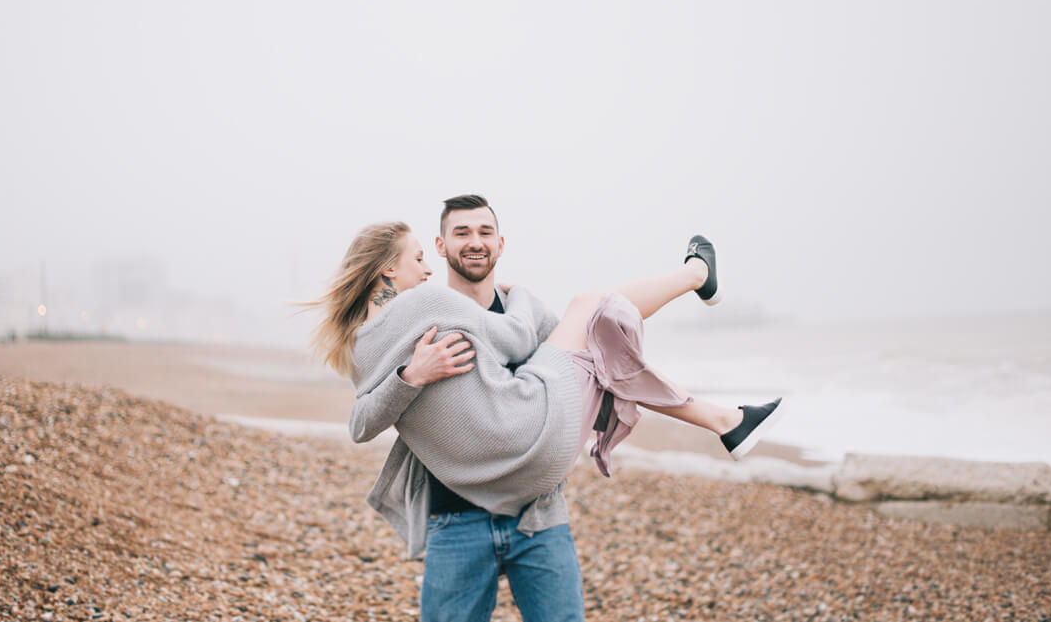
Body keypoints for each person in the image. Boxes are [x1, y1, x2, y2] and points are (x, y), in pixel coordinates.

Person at [306, 196, 783, 622]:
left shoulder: (362, 347)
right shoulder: (433, 303)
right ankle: (697, 279)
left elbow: (361, 419)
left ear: (500, 243)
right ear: (422, 252)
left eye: (484, 232)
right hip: (504, 470)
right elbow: (515, 337)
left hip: (535, 510)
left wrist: (407, 378)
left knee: (597, 334)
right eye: (421, 257)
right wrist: (419, 372)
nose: (428, 269)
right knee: (590, 306)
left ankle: (729, 419)